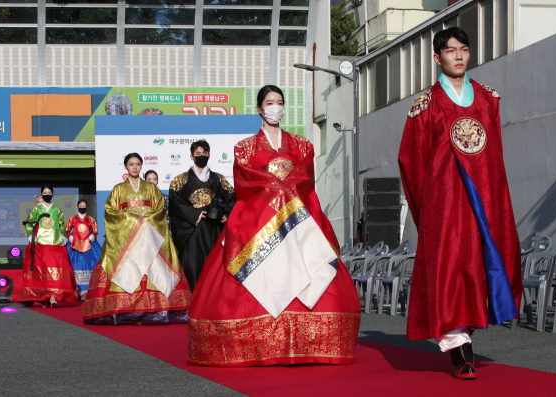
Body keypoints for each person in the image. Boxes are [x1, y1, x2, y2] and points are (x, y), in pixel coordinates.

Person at [188, 85, 360, 366]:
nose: (275, 107)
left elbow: (306, 179)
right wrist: (277, 190)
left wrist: (287, 193)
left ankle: (313, 342)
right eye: (269, 103)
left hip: (297, 222)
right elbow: (244, 181)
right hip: (259, 221)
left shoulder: (302, 145)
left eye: (279, 102)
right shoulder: (244, 148)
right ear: (259, 108)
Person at [398, 27, 522, 380]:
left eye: (464, 50)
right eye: (450, 51)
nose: (458, 56)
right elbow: (411, 160)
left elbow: (494, 153)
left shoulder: (487, 98)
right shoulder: (425, 105)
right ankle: (459, 348)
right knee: (450, 270)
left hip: (484, 198)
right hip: (446, 202)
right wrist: (429, 205)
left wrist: (496, 194)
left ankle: (468, 332)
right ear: (437, 58)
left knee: (481, 267)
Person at [83, 153, 190, 325]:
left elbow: (159, 210)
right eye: (131, 164)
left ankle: (156, 310)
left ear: (141, 166)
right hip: (127, 238)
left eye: (138, 164)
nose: (134, 167)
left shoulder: (151, 188)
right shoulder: (118, 189)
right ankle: (122, 311)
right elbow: (111, 211)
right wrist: (131, 220)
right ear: (125, 166)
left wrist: (144, 220)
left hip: (149, 236)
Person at [169, 140, 236, 292]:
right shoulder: (180, 180)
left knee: (215, 268)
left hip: (214, 230)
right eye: (198, 154)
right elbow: (175, 203)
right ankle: (193, 304)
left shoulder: (219, 179)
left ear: (209, 156)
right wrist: (196, 214)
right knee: (194, 267)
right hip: (193, 231)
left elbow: (232, 198)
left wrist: (226, 214)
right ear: (192, 156)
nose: (201, 156)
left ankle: (213, 304)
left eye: (204, 154)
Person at [18, 184, 79, 307]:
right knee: (42, 273)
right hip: (40, 244)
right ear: (42, 194)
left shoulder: (57, 209)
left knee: (55, 271)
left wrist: (63, 238)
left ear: (52, 194)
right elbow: (28, 224)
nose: (47, 194)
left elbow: (62, 225)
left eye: (49, 192)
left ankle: (53, 296)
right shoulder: (36, 209)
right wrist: (32, 237)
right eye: (45, 192)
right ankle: (45, 297)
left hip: (55, 244)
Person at [66, 199, 102, 300]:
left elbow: (95, 231)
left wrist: (90, 239)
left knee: (93, 264)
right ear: (77, 207)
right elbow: (67, 230)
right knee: (73, 264)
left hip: (89, 245)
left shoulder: (90, 219)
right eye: (81, 205)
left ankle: (90, 292)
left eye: (84, 205)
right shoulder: (72, 218)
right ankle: (76, 291)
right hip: (74, 245)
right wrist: (71, 238)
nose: (82, 207)